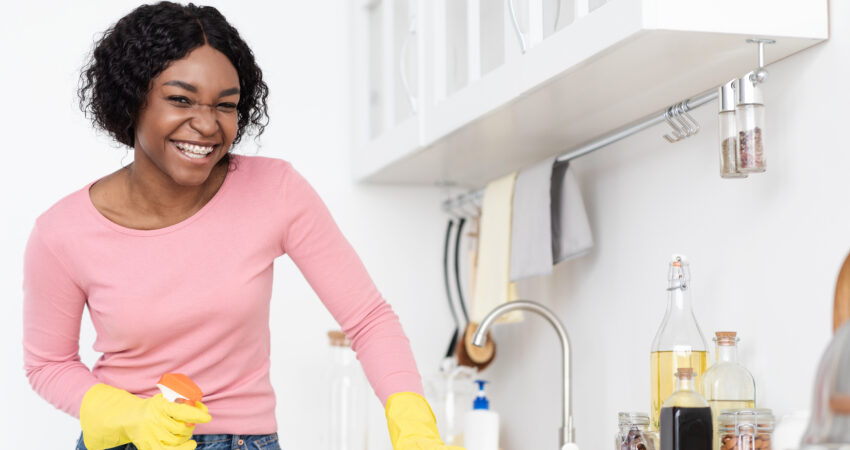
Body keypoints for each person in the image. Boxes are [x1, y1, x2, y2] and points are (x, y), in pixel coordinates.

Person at [21, 3, 462, 449]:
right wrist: (125, 414)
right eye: (180, 99)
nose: (207, 124)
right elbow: (48, 363)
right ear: (132, 98)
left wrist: (411, 417)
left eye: (225, 105)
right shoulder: (63, 232)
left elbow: (367, 319)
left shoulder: (275, 190)